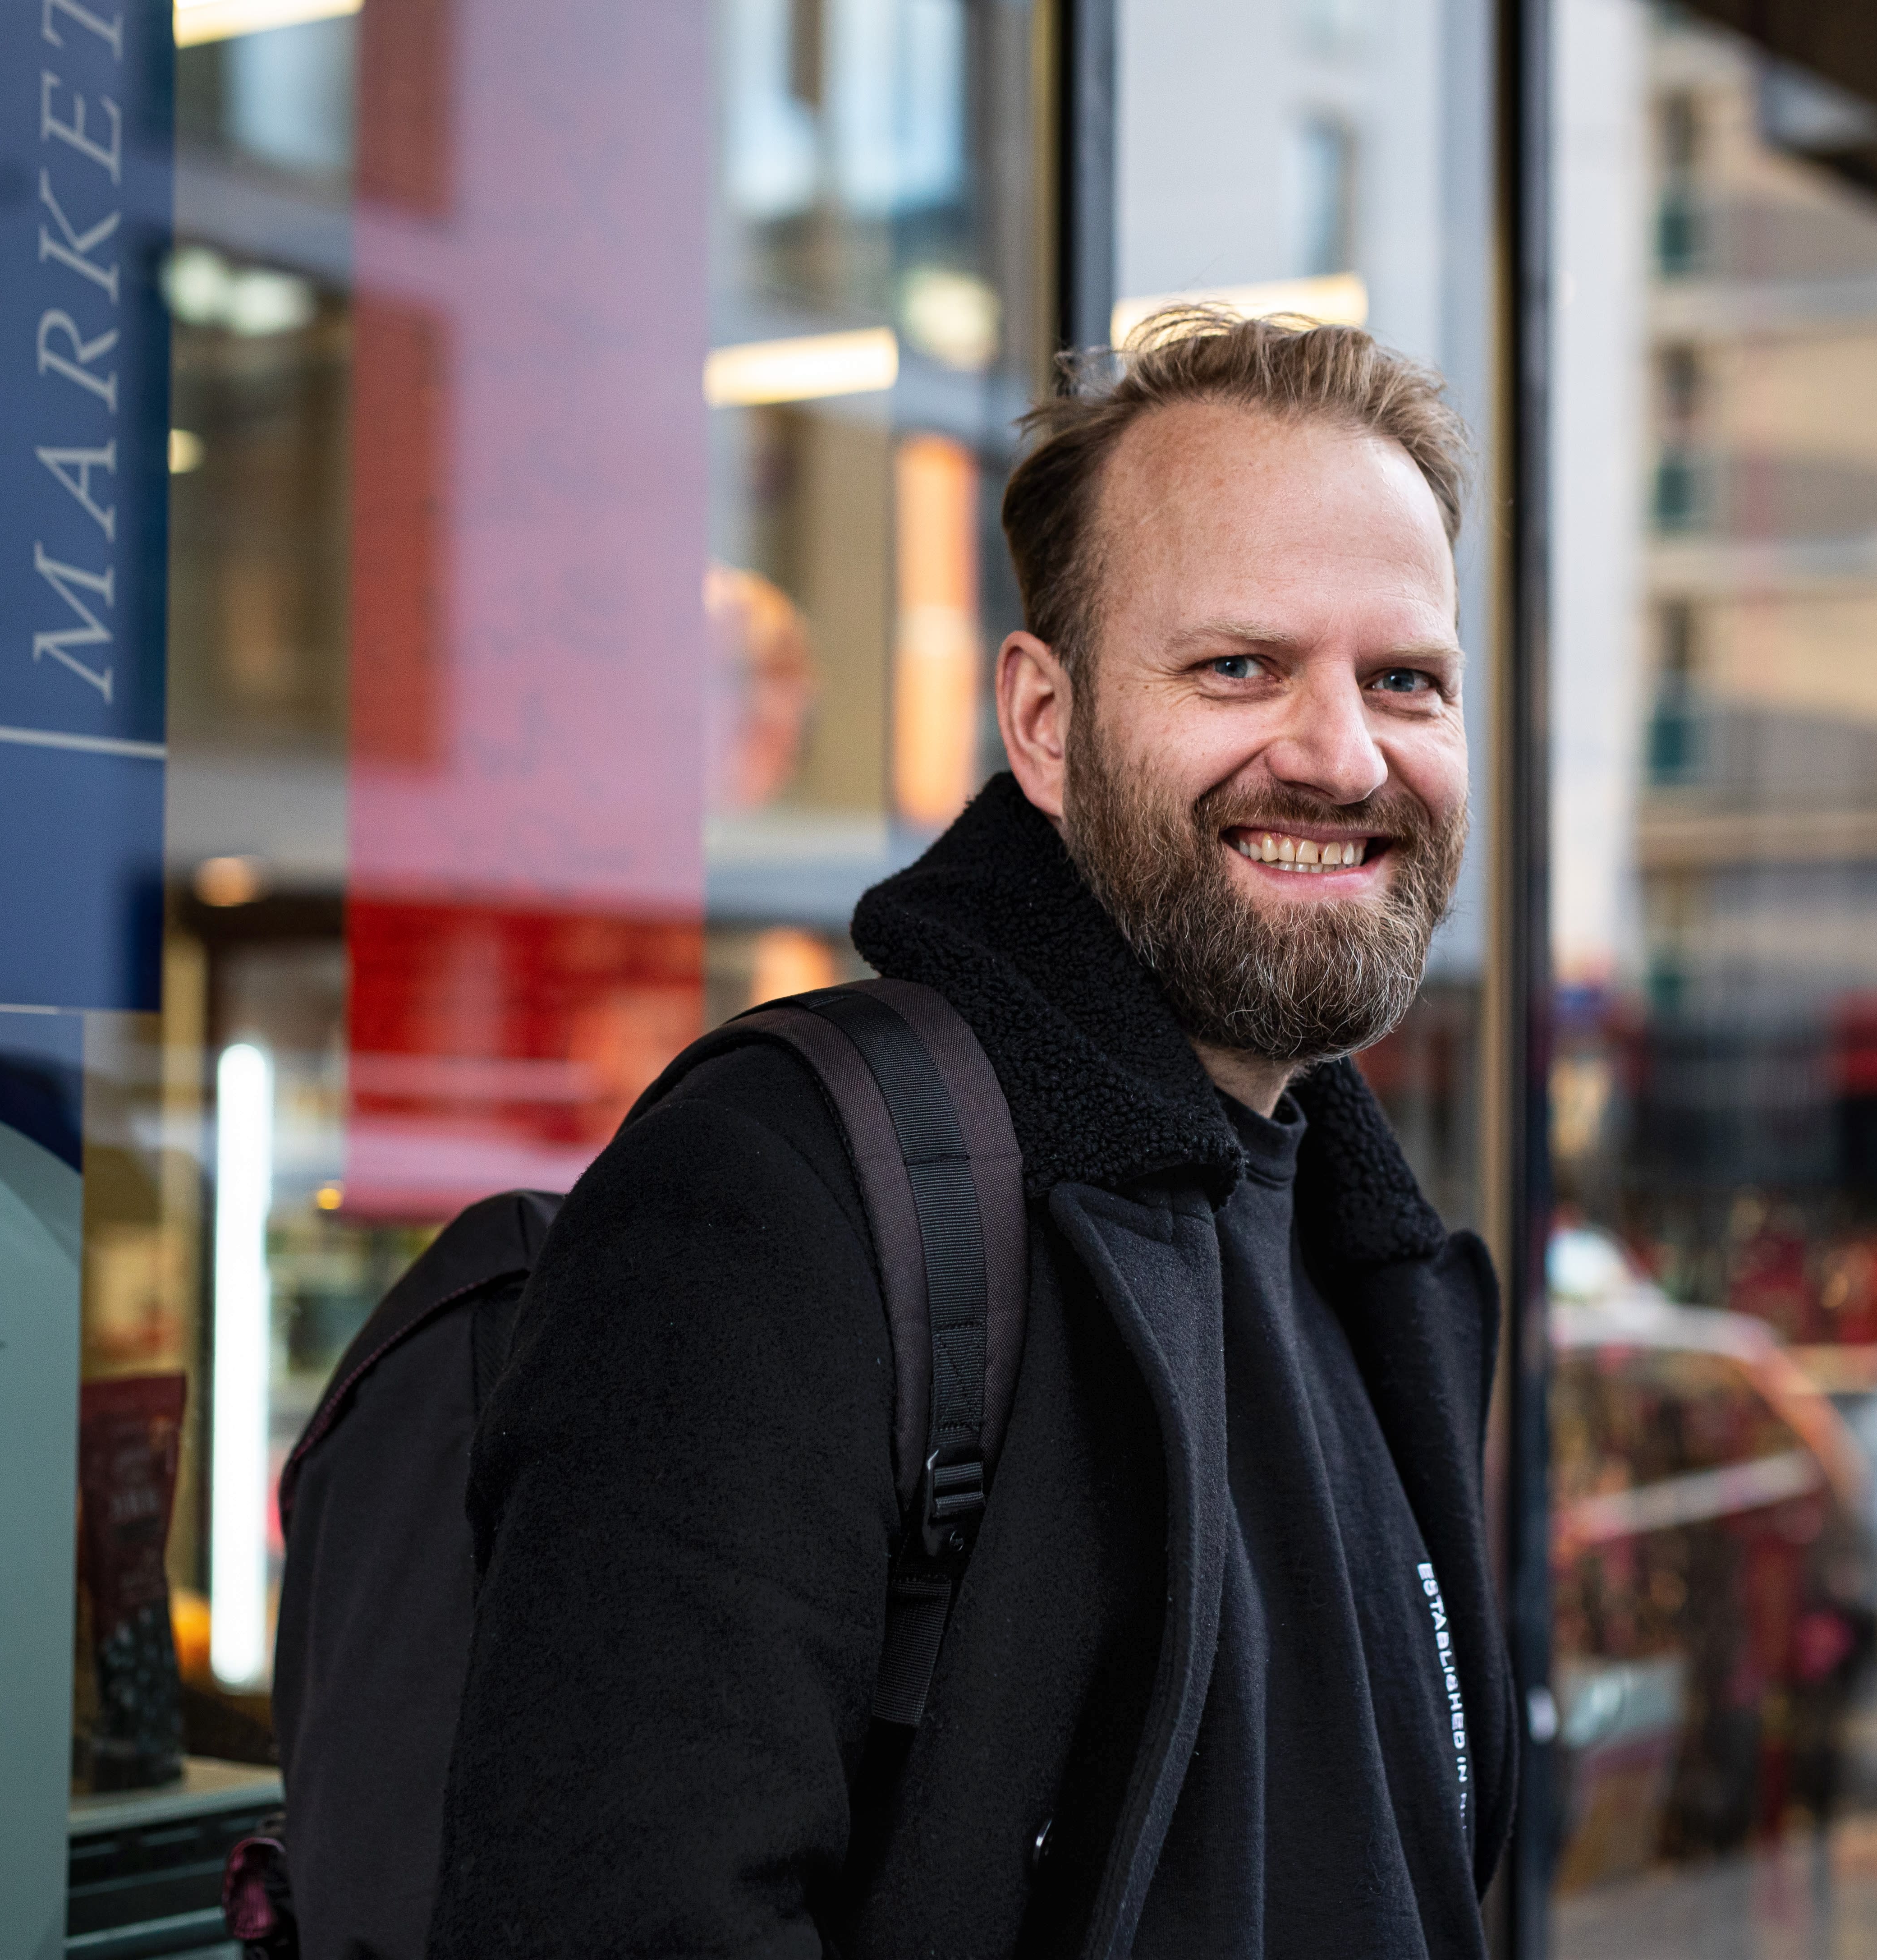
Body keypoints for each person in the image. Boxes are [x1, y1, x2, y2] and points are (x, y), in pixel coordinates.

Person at [428, 308, 1514, 1959]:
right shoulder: (780, 1190)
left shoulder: (1366, 1257)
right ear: (1045, 723)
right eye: (1239, 666)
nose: (1341, 753)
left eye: (1405, 681)